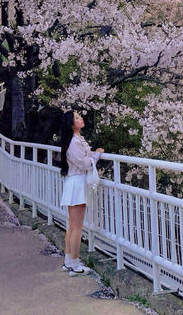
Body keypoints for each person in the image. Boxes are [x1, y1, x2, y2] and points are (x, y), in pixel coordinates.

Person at [59, 110, 104, 274]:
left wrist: (93, 155)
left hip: (74, 182)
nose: (81, 118)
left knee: (72, 226)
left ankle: (68, 261)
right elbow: (85, 163)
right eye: (77, 118)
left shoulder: (74, 140)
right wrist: (97, 155)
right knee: (76, 227)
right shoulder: (74, 142)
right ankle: (75, 264)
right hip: (77, 183)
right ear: (71, 124)